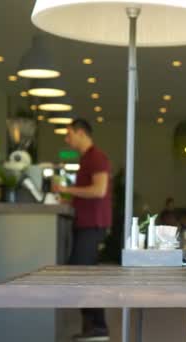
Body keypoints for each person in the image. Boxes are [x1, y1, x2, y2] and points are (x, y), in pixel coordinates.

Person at [53, 118, 112, 341]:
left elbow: (99, 190)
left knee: (83, 274)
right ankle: (93, 327)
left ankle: (98, 327)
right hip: (87, 224)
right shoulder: (87, 158)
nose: (67, 140)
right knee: (82, 273)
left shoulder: (96, 157)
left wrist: (67, 189)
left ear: (80, 133)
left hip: (93, 225)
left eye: (69, 134)